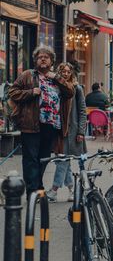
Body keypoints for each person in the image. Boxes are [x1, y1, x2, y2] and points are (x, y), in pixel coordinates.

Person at [8, 46, 74, 195]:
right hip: (30, 124)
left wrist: (56, 77)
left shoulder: (57, 78)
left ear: (51, 61)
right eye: (39, 57)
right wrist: (31, 92)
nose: (43, 59)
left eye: (46, 57)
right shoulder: (28, 75)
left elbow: (70, 92)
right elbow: (12, 92)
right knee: (31, 159)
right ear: (35, 61)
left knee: (43, 158)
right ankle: (34, 191)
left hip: (51, 126)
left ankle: (38, 186)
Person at [47, 63, 87, 202]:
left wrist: (81, 131)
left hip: (72, 131)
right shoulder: (55, 88)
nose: (65, 74)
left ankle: (53, 190)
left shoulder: (77, 89)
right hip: (58, 130)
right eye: (62, 71)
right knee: (65, 161)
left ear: (72, 73)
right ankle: (71, 190)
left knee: (63, 160)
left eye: (68, 71)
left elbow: (82, 111)